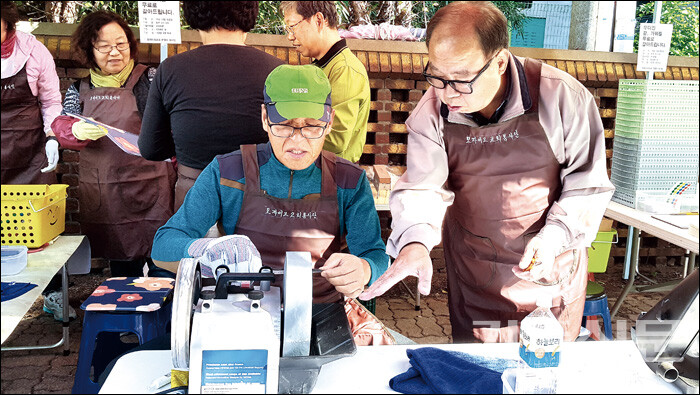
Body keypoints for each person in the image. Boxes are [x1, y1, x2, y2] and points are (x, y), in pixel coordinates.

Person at [360, 1, 614, 343]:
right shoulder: (432, 112)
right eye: (437, 76)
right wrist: (416, 243)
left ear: (499, 62)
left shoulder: (563, 98)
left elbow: (587, 186)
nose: (447, 93)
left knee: (544, 366)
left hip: (550, 263)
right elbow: (423, 189)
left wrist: (554, 237)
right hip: (475, 271)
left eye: (462, 79)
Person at [152, 65, 393, 345]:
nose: (297, 140)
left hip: (322, 313)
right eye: (284, 126)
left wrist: (364, 269)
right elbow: (163, 245)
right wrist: (204, 250)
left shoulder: (349, 180)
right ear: (265, 118)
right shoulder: (228, 172)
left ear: (329, 122)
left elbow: (375, 254)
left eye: (312, 126)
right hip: (241, 311)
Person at [52, 11, 176, 279]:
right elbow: (61, 124)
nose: (115, 52)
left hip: (153, 186)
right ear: (90, 50)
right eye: (104, 46)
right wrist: (73, 129)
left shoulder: (152, 79)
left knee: (163, 261)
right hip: (107, 190)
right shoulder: (79, 89)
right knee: (122, 267)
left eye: (121, 44)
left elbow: (175, 123)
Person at [139, 1, 284, 210]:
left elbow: (150, 148)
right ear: (251, 11)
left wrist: (184, 142)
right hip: (261, 202)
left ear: (193, 11)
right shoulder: (277, 70)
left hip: (195, 200)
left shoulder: (170, 70)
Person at [280, 1, 370, 164]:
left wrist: (283, 131)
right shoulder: (321, 66)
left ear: (319, 21)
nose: (290, 36)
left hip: (332, 178)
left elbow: (335, 139)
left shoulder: (345, 69)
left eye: (292, 26)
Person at [1, 1, 61, 184]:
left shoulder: (34, 51)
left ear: (7, 21)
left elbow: (51, 101)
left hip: (30, 154)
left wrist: (52, 136)